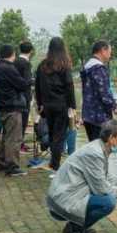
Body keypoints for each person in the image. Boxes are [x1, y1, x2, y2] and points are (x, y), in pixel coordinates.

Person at [47, 120, 117, 233]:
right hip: (61, 201)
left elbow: (105, 176)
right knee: (108, 202)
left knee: (108, 196)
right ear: (111, 138)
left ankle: (77, 226)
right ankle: (74, 231)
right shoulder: (95, 153)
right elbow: (101, 189)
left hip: (67, 195)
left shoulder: (100, 147)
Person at [35, 37, 76, 172]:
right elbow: (69, 86)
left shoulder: (42, 65)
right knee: (59, 135)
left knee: (53, 134)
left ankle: (53, 161)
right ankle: (55, 164)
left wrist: (40, 104)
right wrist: (72, 106)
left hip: (47, 106)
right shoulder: (64, 65)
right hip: (61, 105)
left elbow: (38, 86)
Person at [0, 44, 32, 176]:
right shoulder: (8, 68)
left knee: (6, 137)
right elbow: (22, 84)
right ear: (12, 54)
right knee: (14, 138)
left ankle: (1, 163)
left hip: (4, 106)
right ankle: (12, 166)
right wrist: (30, 81)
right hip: (12, 106)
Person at [80, 40, 117, 142]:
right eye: (109, 52)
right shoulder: (99, 68)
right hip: (99, 118)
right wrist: (115, 107)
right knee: (101, 149)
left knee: (94, 147)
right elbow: (104, 93)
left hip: (87, 116)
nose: (110, 55)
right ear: (103, 50)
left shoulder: (87, 67)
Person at [14, 41, 34, 153]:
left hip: (15, 96)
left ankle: (18, 143)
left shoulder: (14, 61)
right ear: (31, 51)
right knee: (23, 120)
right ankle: (20, 145)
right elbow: (27, 81)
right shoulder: (26, 63)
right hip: (24, 96)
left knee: (17, 121)